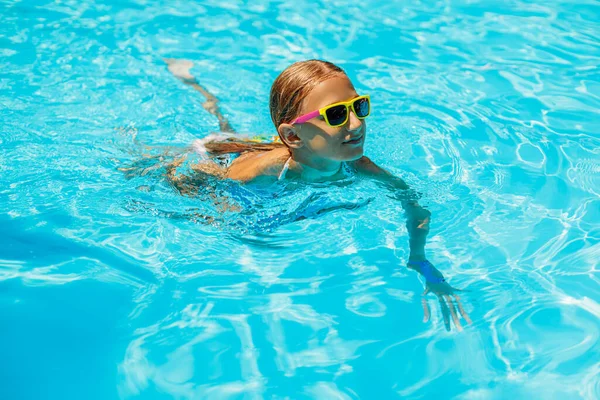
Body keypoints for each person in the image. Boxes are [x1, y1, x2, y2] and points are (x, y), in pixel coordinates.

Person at [163, 58, 472, 331]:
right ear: (294, 135)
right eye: (336, 114)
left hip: (281, 144)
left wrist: (420, 261)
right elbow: (207, 176)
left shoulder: (358, 166)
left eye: (359, 106)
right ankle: (194, 85)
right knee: (223, 130)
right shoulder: (268, 170)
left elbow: (415, 206)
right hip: (224, 157)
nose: (356, 124)